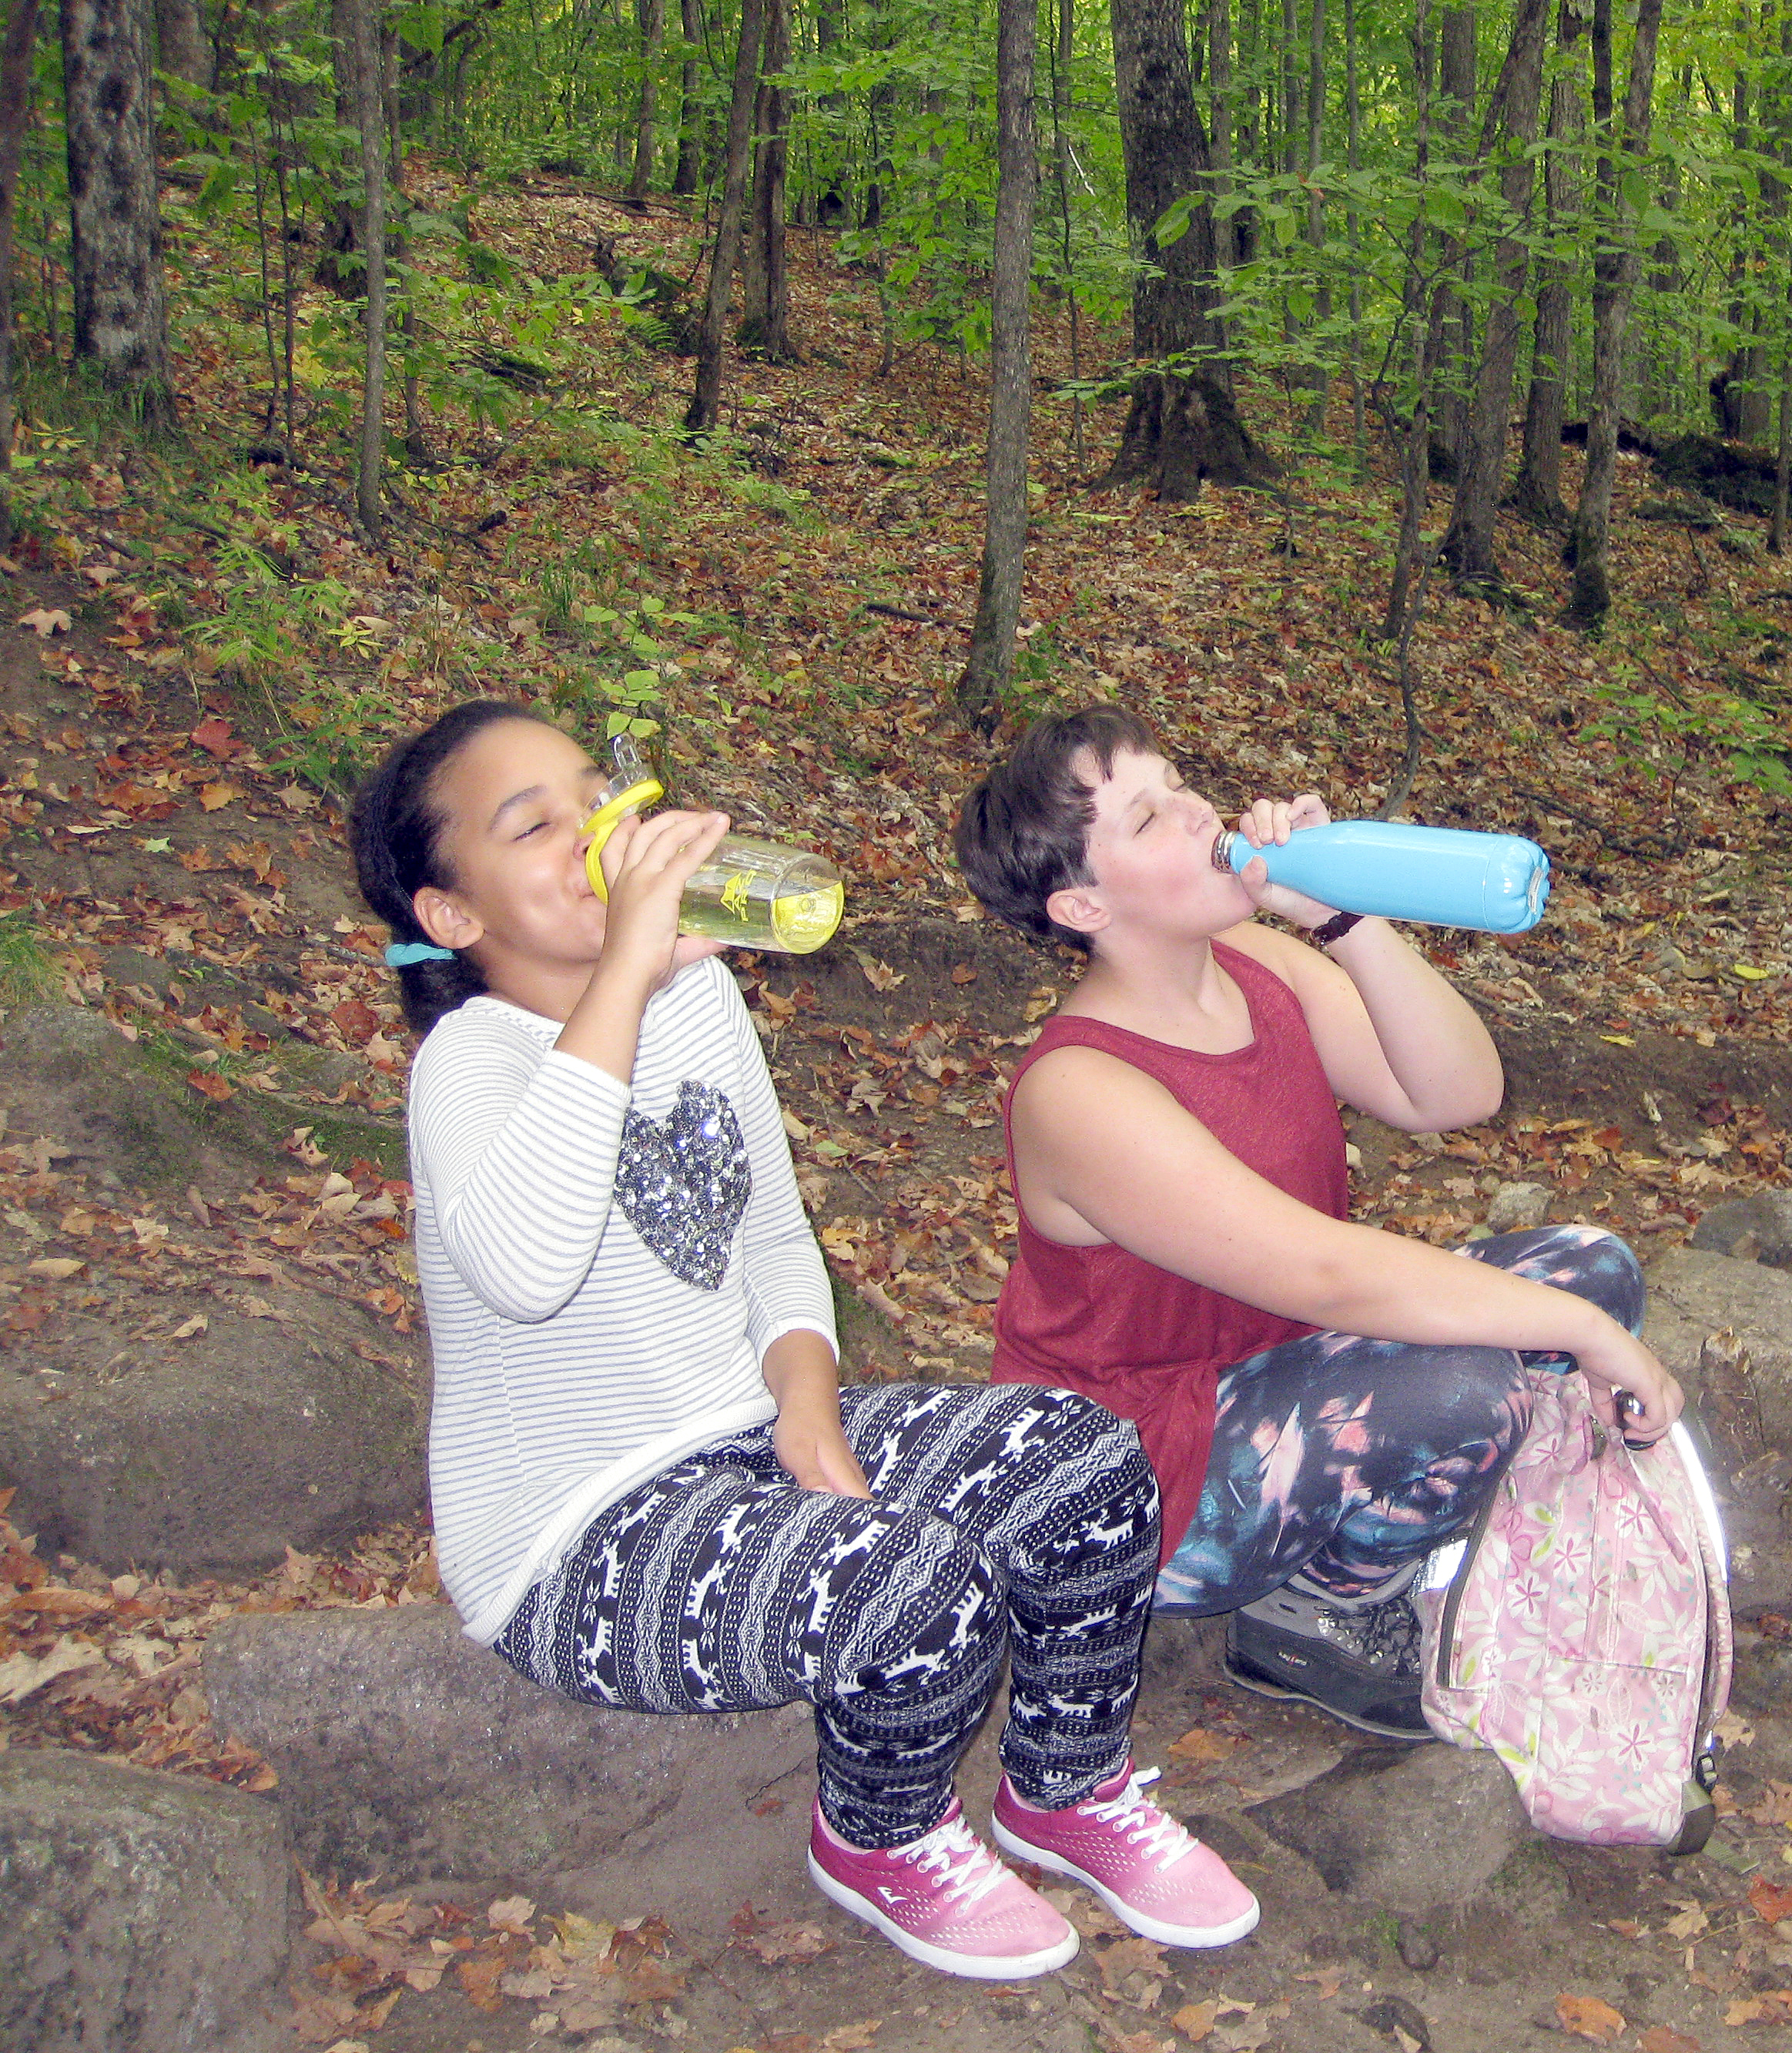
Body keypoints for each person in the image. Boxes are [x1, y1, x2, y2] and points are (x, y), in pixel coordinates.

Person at [350, 701, 1257, 1984]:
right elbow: (526, 1268)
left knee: (1086, 1458)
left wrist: (808, 1403)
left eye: (590, 798)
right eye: (534, 826)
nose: (594, 835)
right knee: (917, 1583)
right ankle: (881, 1836)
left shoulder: (696, 995)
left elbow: (774, 1239)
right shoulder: (471, 1062)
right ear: (453, 914)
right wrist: (627, 969)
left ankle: (1068, 1787)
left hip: (742, 1447)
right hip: (574, 1538)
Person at [953, 705, 1684, 1740]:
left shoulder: (1263, 963)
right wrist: (1585, 1342)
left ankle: (1398, 1525)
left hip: (1280, 1367)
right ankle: (1318, 1610)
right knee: (1472, 1384)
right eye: (1151, 815)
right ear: (1082, 905)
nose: (1199, 808)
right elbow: (1326, 1273)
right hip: (1134, 1473)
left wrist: (1341, 919)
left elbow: (1456, 1094)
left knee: (1592, 1271)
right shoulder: (1081, 1088)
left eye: (1180, 781)